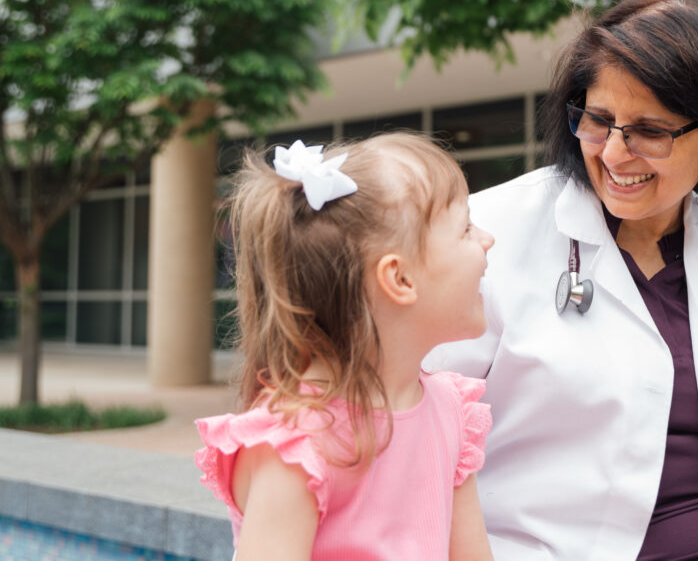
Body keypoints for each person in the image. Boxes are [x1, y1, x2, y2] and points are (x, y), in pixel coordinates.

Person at [424, 0, 698, 561]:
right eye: (598, 120)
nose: (614, 153)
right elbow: (414, 431)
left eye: (650, 131)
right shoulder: (488, 235)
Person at [195, 133, 495, 561]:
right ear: (400, 279)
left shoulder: (451, 409)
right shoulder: (297, 446)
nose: (487, 239)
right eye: (466, 228)